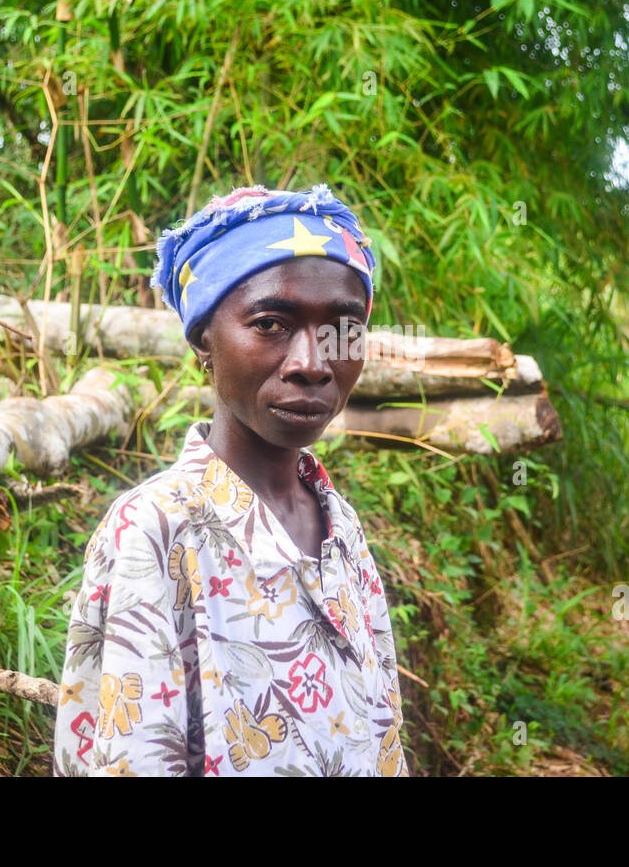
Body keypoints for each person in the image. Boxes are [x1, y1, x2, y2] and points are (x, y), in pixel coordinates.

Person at [53, 184, 408, 776]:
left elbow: (382, 731)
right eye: (270, 323)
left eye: (343, 330)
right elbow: (131, 758)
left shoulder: (341, 526)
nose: (313, 363)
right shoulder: (157, 529)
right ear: (203, 342)